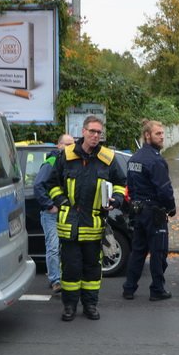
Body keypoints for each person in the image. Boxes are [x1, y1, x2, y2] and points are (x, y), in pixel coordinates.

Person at [46, 116, 127, 321]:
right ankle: (69, 306)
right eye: (92, 131)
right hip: (70, 224)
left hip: (94, 224)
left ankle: (90, 305)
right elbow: (51, 183)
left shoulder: (107, 158)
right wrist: (62, 201)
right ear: (83, 131)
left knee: (92, 269)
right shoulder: (66, 155)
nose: (96, 135)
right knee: (71, 269)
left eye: (99, 132)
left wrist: (115, 200)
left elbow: (120, 183)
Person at [123, 120, 176, 301]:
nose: (162, 137)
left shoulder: (134, 159)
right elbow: (164, 189)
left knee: (138, 251)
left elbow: (129, 186)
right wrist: (171, 207)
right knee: (158, 252)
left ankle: (129, 288)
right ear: (147, 135)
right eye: (158, 134)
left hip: (138, 210)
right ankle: (157, 289)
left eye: (162, 133)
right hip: (154, 212)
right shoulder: (156, 160)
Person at [33, 133, 75, 294]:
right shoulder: (52, 162)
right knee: (53, 246)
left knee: (65, 246)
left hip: (65, 211)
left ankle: (62, 277)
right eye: (66, 144)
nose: (69, 147)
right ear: (59, 146)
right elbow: (38, 186)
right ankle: (55, 281)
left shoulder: (69, 162)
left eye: (72, 144)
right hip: (51, 213)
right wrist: (49, 205)